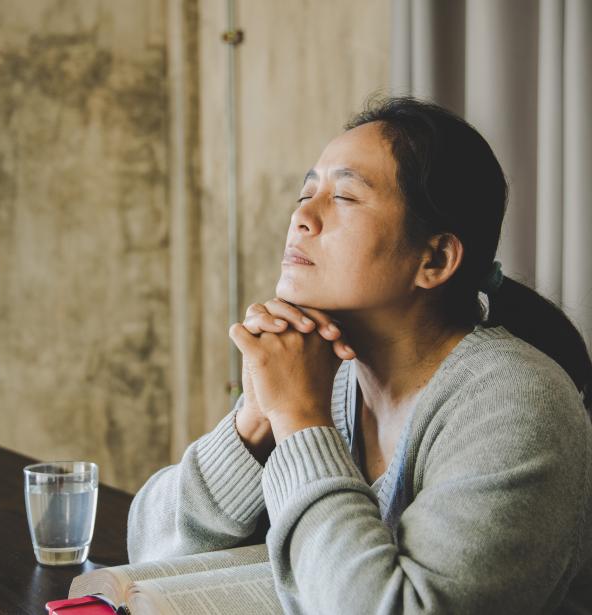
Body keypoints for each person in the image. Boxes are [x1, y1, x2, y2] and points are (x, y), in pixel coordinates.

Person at [126, 96, 592, 614]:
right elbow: (149, 549)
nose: (302, 216)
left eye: (344, 197)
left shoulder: (515, 401)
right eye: (306, 193)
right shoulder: (331, 372)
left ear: (434, 258)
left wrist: (301, 423)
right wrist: (254, 424)